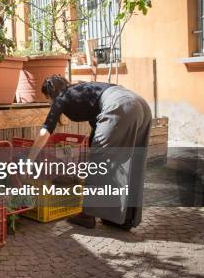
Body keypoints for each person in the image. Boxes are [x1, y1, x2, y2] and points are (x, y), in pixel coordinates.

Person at [30, 75, 152, 229]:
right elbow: (97, 126)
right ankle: (124, 218)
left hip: (119, 106)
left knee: (98, 163)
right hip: (139, 104)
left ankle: (87, 215)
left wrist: (29, 161)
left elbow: (45, 131)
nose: (48, 102)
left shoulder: (62, 97)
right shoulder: (84, 90)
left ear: (50, 95)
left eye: (47, 99)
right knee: (130, 161)